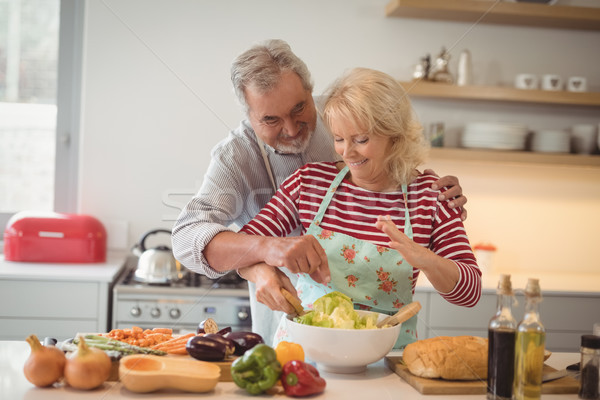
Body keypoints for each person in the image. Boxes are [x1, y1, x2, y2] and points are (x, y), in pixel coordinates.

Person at [171, 39, 469, 344]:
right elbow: (186, 238)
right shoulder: (238, 157)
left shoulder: (343, 112)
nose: (290, 128)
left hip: (386, 352)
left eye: (299, 108)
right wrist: (265, 254)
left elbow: (395, 162)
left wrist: (433, 202)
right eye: (271, 119)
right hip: (289, 316)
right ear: (249, 116)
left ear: (311, 93)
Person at [236, 67, 481, 348]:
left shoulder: (430, 196)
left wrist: (425, 258)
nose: (347, 152)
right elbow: (243, 247)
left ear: (395, 135)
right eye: (339, 139)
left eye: (361, 140)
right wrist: (261, 271)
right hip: (307, 355)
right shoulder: (309, 183)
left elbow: (470, 293)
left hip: (386, 364)